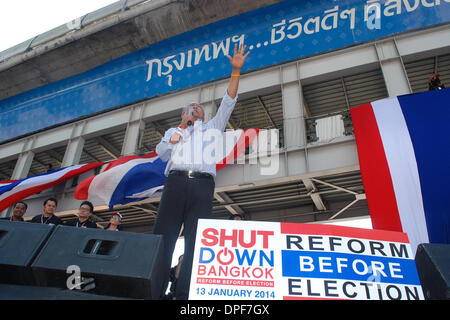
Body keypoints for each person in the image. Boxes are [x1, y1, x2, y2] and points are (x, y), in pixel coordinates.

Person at [153, 43, 249, 300]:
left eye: (199, 108)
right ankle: (154, 291)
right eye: (191, 108)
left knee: (196, 241)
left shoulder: (213, 128)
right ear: (184, 114)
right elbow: (161, 153)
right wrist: (180, 130)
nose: (196, 109)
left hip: (202, 186)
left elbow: (229, 101)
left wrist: (236, 71)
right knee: (164, 238)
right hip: (175, 183)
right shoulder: (174, 132)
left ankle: (184, 294)